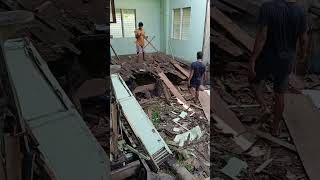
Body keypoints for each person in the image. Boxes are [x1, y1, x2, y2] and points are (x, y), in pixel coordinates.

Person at [249, 0, 308, 136]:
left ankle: (264, 107)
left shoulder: (267, 7)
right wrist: (302, 56)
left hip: (267, 56)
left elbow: (262, 36)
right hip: (287, 60)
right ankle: (275, 128)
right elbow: (304, 38)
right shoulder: (300, 10)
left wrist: (253, 58)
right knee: (279, 94)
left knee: (253, 81)